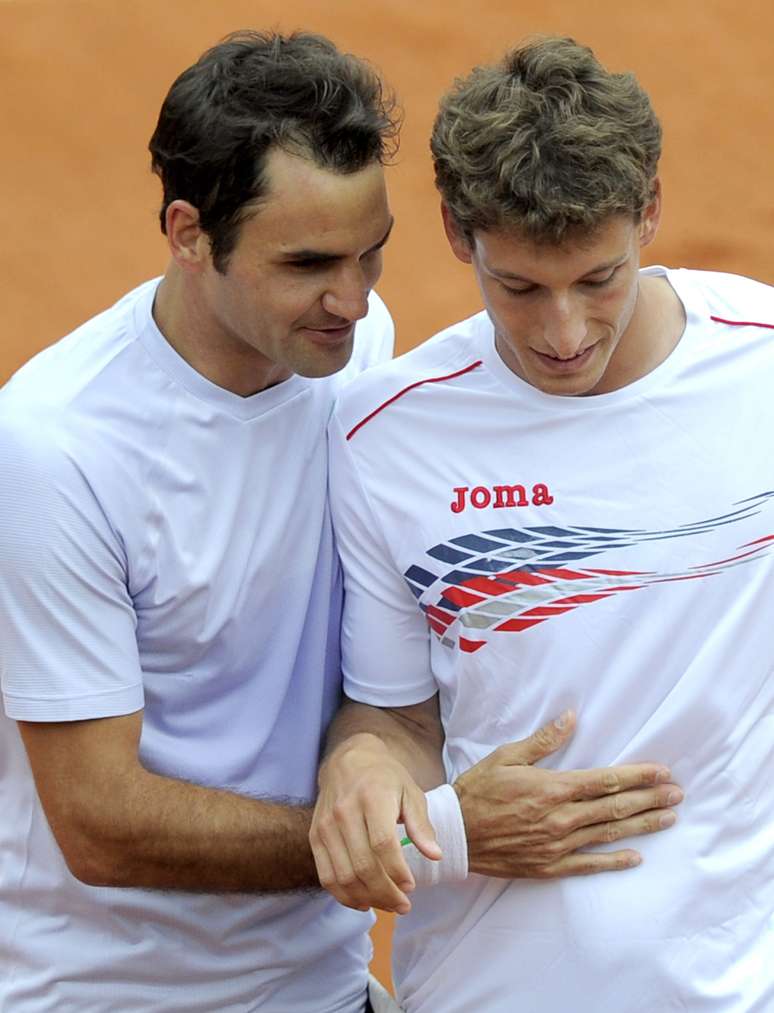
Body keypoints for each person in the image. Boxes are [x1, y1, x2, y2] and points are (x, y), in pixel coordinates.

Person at [312, 36, 774, 1012]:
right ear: (455, 232)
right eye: (519, 287)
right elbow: (395, 712)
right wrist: (364, 767)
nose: (563, 335)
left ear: (650, 208)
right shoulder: (385, 436)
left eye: (599, 278)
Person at [0, 30, 400, 1012]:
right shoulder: (58, 447)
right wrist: (403, 834)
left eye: (372, 254)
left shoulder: (350, 347)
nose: (350, 300)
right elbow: (101, 820)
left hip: (325, 983)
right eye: (308, 263)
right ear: (188, 233)